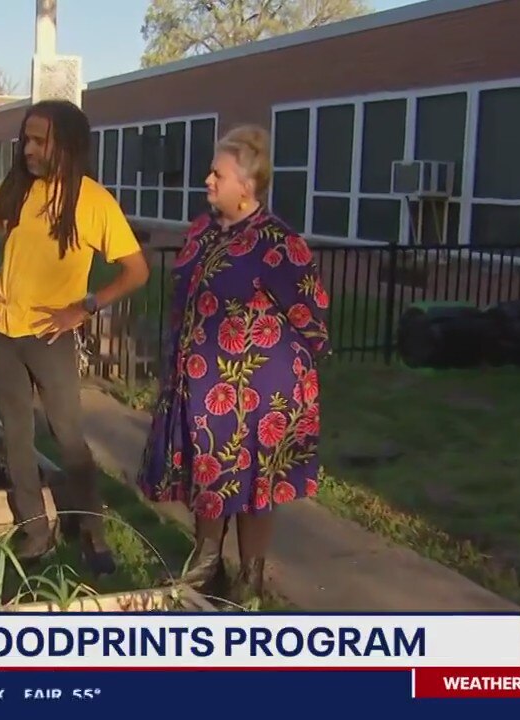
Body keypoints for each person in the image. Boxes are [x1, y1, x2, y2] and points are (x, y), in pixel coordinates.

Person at [136, 125, 330, 603]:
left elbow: (310, 312)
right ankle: (205, 563)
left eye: (217, 173)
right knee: (206, 469)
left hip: (257, 388)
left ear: (246, 185)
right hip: (199, 380)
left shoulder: (277, 241)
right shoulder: (201, 231)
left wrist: (292, 372)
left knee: (254, 482)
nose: (207, 179)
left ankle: (251, 575)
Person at [0, 100, 150, 574]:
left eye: (39, 139)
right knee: (17, 437)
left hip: (50, 339)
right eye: (27, 138)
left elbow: (136, 271)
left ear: (64, 143)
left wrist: (83, 307)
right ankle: (35, 533)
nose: (28, 148)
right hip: (3, 333)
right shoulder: (14, 191)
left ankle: (92, 534)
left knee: (68, 439)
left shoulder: (93, 202)